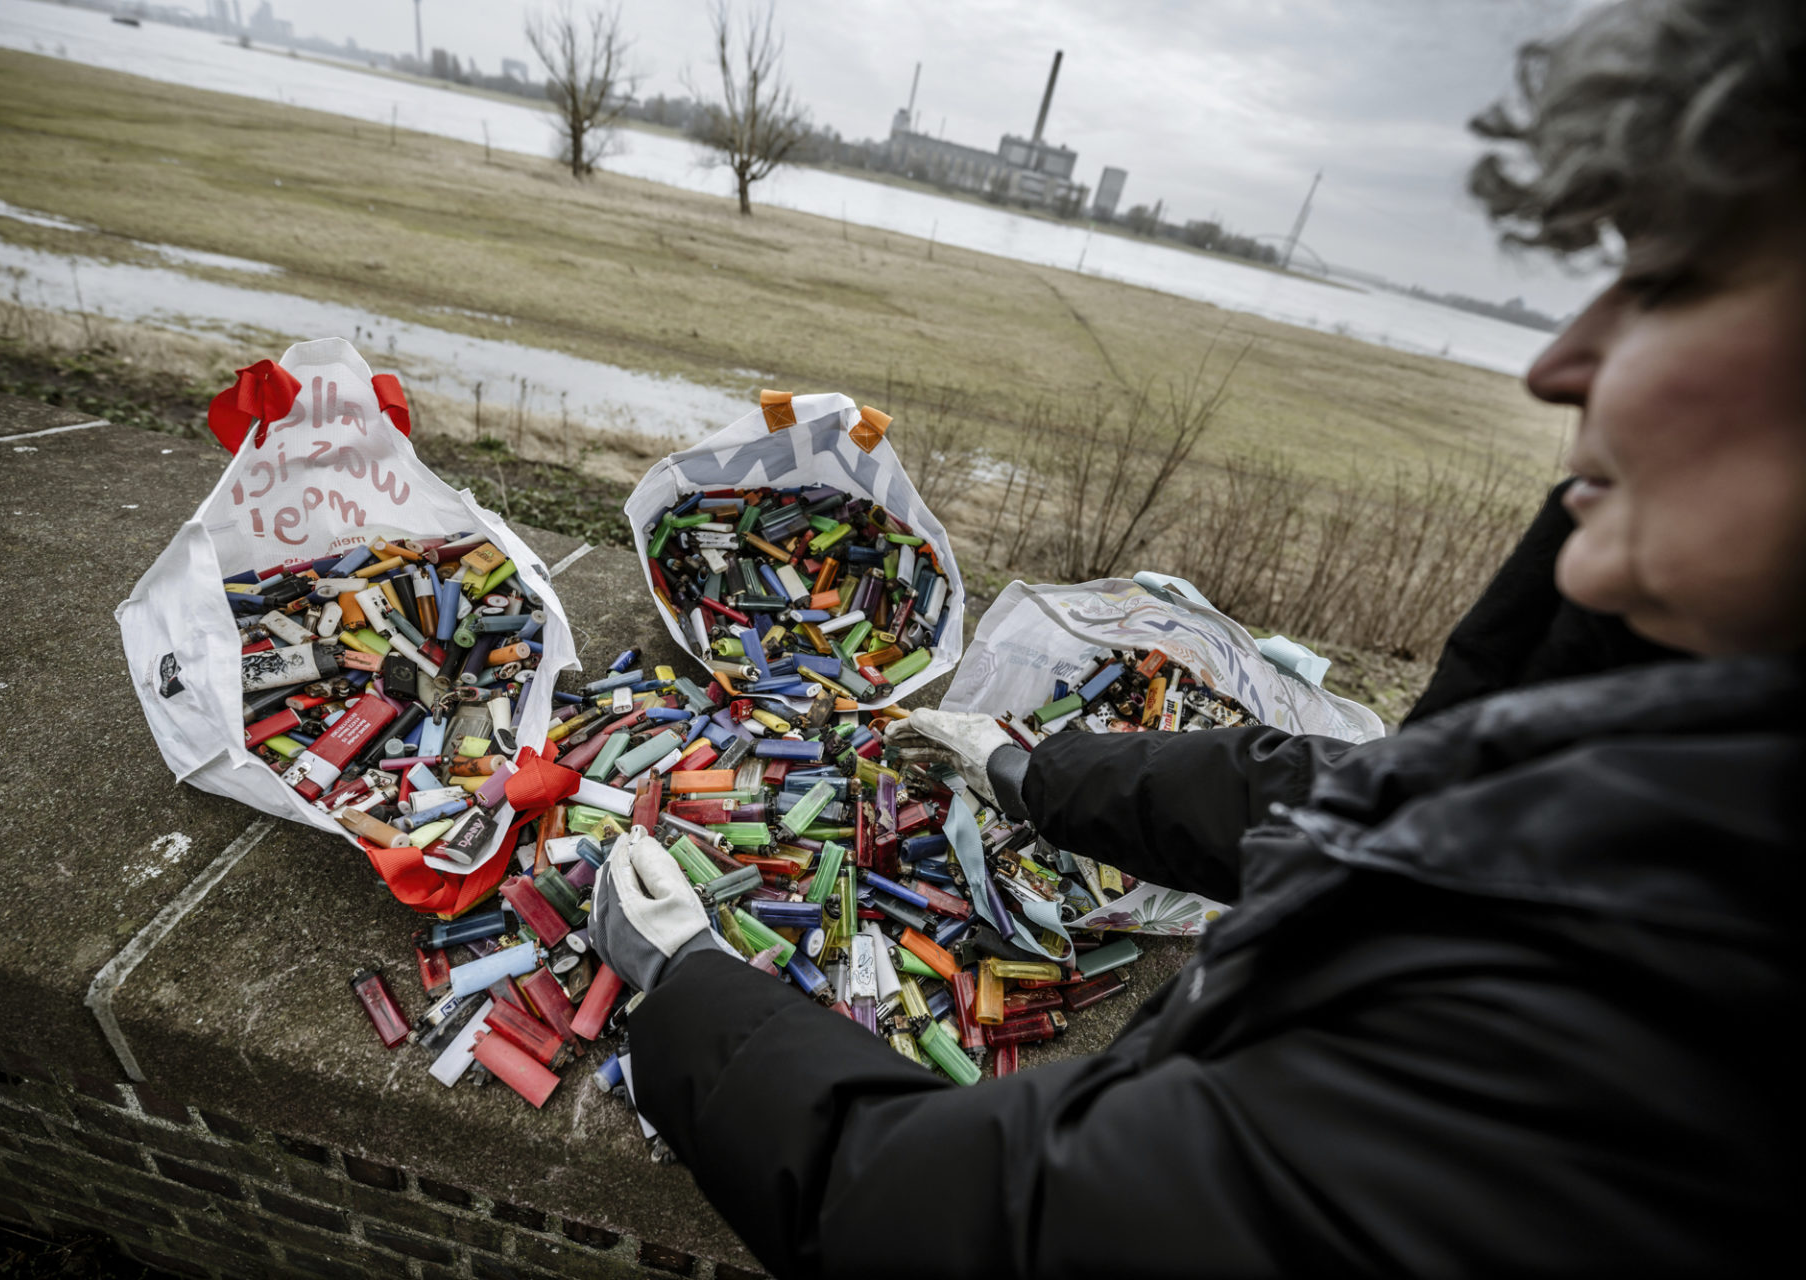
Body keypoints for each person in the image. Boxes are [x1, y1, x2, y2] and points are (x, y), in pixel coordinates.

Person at [589, 0, 1803, 1273]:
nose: (1559, 362)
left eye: (1665, 282)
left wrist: (686, 991)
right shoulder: (1657, 751)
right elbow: (1382, 799)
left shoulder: (1643, 1030)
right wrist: (1031, 770)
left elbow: (1001, 1231)